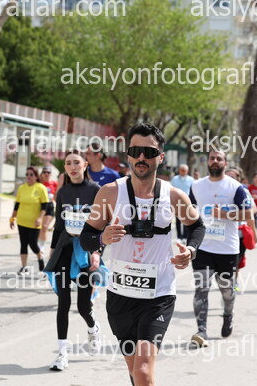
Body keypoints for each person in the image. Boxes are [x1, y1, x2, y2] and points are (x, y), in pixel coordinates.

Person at [80, 123, 205, 386]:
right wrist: (102, 238)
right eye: (135, 151)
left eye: (148, 152)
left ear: (160, 157)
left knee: (144, 371)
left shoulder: (173, 196)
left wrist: (191, 250)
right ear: (128, 155)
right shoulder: (110, 193)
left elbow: (197, 226)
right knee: (134, 369)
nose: (141, 157)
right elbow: (86, 238)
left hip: (158, 295)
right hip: (121, 296)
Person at [43, 150, 104, 371]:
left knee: (83, 307)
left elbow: (102, 224)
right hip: (64, 249)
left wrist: (97, 251)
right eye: (68, 163)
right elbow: (59, 225)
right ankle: (62, 354)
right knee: (63, 302)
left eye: (77, 162)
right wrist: (52, 250)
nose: (73, 167)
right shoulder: (63, 192)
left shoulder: (96, 190)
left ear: (85, 165)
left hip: (86, 251)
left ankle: (93, 328)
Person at [188, 151, 253, 347]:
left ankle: (228, 314)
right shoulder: (196, 186)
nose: (215, 161)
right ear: (208, 162)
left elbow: (248, 213)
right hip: (203, 247)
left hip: (227, 249)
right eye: (212, 158)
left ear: (225, 163)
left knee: (227, 290)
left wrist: (225, 214)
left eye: (219, 159)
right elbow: (188, 211)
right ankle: (201, 330)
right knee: (201, 289)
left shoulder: (235, 187)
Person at [10, 167, 48, 274]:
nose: (28, 176)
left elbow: (45, 206)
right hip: (21, 220)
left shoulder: (40, 188)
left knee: (33, 244)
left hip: (34, 222)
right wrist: (12, 218)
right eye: (27, 174)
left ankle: (40, 257)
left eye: (31, 174)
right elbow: (17, 205)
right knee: (23, 243)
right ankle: (24, 267)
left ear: (36, 176)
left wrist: (40, 218)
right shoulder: (22, 188)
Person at [225, 167, 257, 291]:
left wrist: (254, 232)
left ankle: (233, 281)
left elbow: (253, 210)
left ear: (239, 179)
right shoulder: (217, 190)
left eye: (233, 177)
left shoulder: (243, 191)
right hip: (221, 233)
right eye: (227, 176)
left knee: (236, 259)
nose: (230, 179)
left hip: (239, 232)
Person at [170, 164, 194, 241]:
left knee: (186, 219)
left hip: (187, 202)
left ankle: (185, 236)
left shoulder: (191, 179)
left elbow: (193, 191)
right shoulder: (175, 179)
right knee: (178, 220)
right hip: (176, 202)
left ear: (187, 171)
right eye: (181, 170)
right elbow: (171, 189)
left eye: (184, 170)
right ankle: (179, 237)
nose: (182, 172)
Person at [39, 166, 58, 249]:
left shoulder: (54, 183)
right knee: (38, 228)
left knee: (44, 227)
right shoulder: (38, 183)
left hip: (49, 206)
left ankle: (41, 247)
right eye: (44, 172)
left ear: (51, 174)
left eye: (48, 172)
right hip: (39, 207)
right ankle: (38, 243)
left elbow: (57, 196)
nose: (46, 174)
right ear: (42, 173)